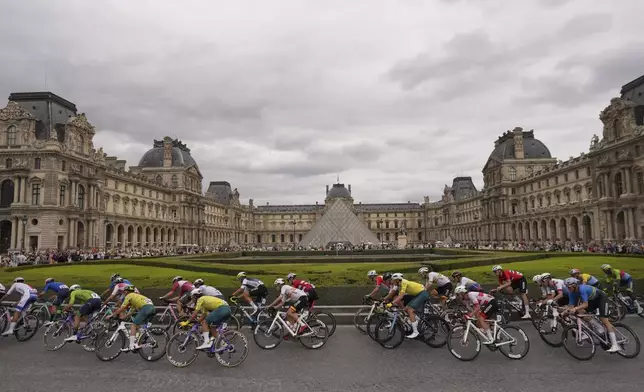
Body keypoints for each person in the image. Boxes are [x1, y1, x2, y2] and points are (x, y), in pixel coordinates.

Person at [562, 277, 621, 353]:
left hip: (601, 298)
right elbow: (571, 307)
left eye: (569, 287)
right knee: (580, 312)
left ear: (575, 285)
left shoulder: (582, 288)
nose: (568, 289)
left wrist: (575, 308)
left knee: (604, 320)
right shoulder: (571, 293)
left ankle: (615, 345)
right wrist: (564, 312)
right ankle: (597, 326)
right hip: (592, 301)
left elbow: (585, 304)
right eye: (567, 287)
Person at [108, 285, 156, 351]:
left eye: (124, 292)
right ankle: (144, 336)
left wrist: (112, 315)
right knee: (139, 326)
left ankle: (131, 345)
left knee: (133, 325)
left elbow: (122, 307)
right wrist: (124, 317)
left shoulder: (129, 296)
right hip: (152, 309)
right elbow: (131, 311)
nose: (123, 293)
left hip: (146, 308)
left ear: (127, 292)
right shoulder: (136, 297)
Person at [384, 273, 427, 339]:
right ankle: (417, 320)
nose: (391, 281)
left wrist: (391, 303)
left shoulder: (404, 282)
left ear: (397, 280)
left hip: (422, 293)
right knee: (406, 309)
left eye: (392, 280)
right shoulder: (399, 284)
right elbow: (397, 295)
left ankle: (416, 332)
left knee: (410, 309)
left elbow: (401, 296)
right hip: (417, 294)